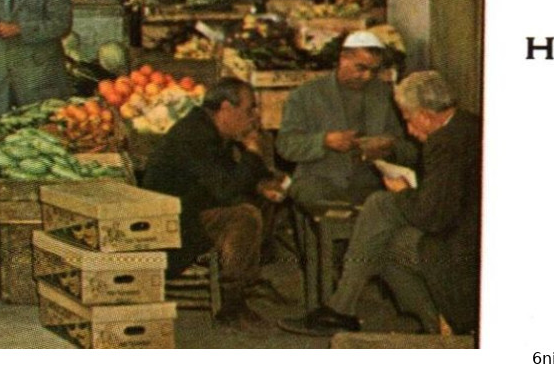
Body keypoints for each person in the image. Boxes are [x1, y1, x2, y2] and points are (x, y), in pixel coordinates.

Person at [291, 70, 481, 337]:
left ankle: (438, 325)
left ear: (426, 115)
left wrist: (403, 191)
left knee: (381, 229)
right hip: (469, 237)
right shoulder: (470, 124)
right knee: (378, 227)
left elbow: (432, 217)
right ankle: (345, 309)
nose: (410, 131)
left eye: (409, 120)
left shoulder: (443, 143)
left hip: (461, 253)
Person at [142, 77, 288, 329]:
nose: (254, 116)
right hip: (169, 229)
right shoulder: (195, 135)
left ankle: (249, 278)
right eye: (249, 109)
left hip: (191, 212)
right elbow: (225, 189)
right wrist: (251, 152)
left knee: (262, 201)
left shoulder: (211, 130)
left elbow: (227, 179)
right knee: (244, 216)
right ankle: (232, 303)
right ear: (226, 108)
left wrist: (262, 179)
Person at [276, 31, 416, 207]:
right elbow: (286, 145)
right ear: (343, 58)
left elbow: (410, 151)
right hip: (319, 181)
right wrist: (324, 141)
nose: (367, 76)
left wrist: (389, 148)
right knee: (317, 203)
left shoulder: (384, 95)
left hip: (371, 185)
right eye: (361, 68)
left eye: (374, 70)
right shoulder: (306, 95)